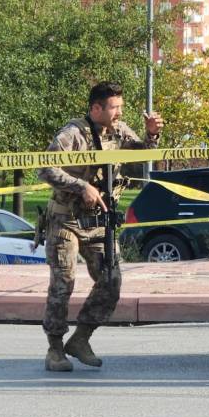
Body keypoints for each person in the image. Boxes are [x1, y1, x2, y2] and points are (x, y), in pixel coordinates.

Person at [37, 81, 164, 372]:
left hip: (98, 221)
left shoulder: (119, 131)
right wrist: (80, 186)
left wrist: (152, 134)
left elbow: (143, 154)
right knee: (63, 283)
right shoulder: (72, 134)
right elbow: (45, 167)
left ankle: (81, 339)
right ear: (96, 108)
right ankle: (55, 349)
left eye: (120, 106)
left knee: (111, 281)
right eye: (114, 107)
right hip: (65, 219)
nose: (119, 112)